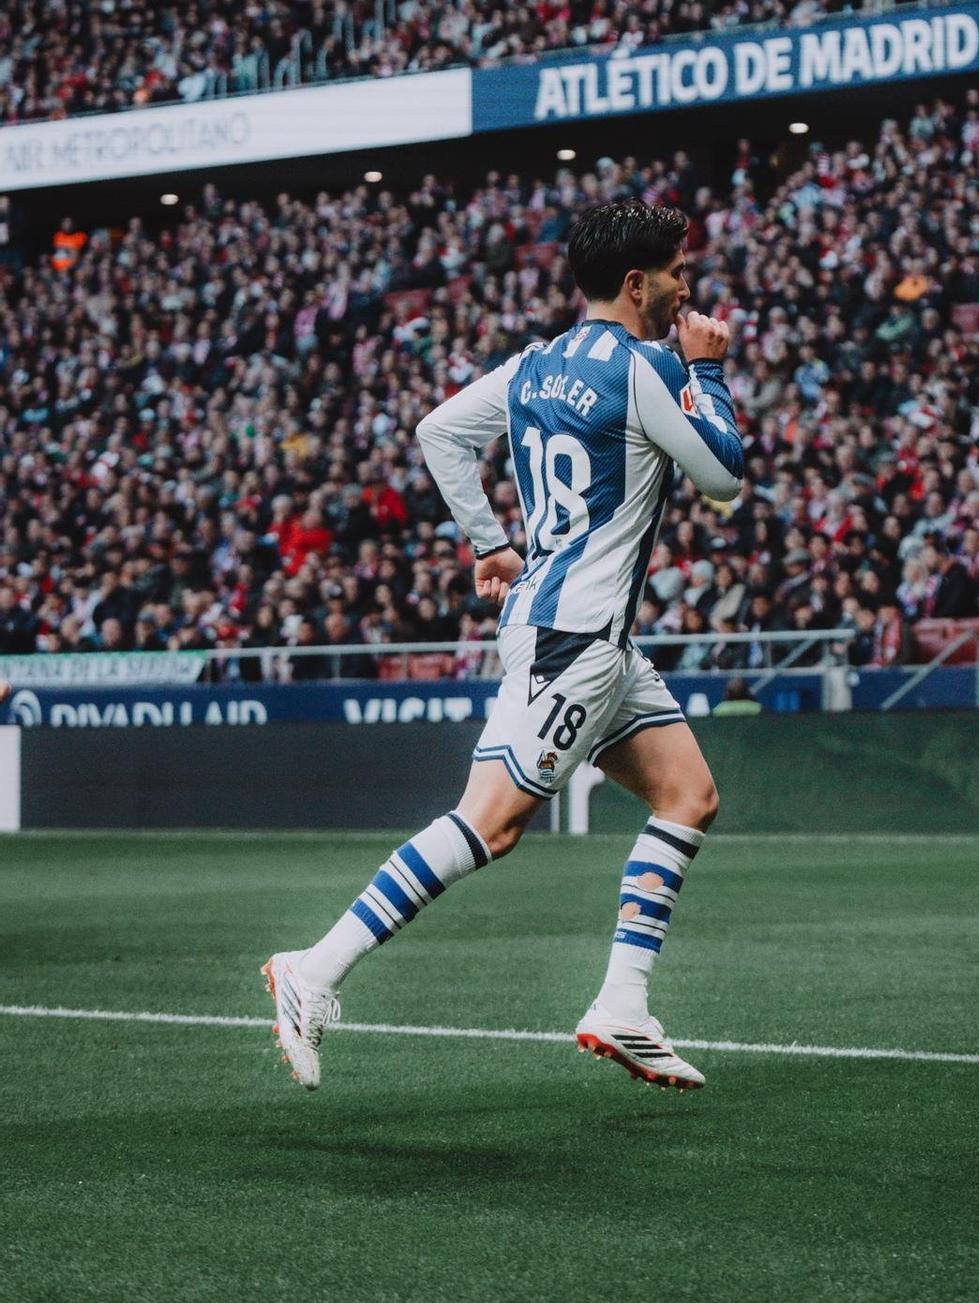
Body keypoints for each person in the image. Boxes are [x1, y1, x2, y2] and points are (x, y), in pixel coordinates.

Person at [264, 201, 744, 1092]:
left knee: (688, 793)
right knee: (490, 822)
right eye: (677, 271)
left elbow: (439, 434)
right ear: (637, 284)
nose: (688, 286)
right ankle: (314, 969)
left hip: (585, 633)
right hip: (576, 640)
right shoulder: (647, 368)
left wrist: (488, 540)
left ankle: (624, 1005)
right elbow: (723, 478)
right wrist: (706, 373)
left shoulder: (536, 363)